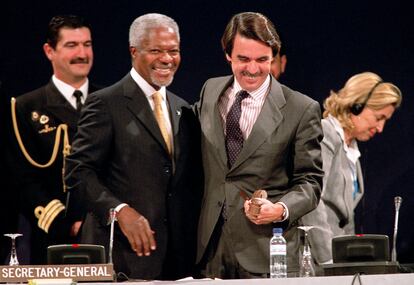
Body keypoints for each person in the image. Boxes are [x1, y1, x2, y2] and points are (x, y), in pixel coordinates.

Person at [65, 13, 203, 280]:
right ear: (134, 51)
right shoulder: (105, 103)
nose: (167, 59)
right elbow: (78, 173)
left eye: (173, 51)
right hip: (122, 258)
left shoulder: (183, 109)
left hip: (176, 261)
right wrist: (119, 211)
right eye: (156, 51)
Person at [196, 12, 323, 278]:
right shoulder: (210, 91)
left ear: (274, 57)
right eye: (243, 58)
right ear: (227, 54)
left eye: (263, 60)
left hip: (268, 254)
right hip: (211, 251)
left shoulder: (301, 108)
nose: (253, 69)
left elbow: (310, 182)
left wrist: (279, 209)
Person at [10, 15, 98, 264]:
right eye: (72, 45)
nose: (82, 53)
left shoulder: (110, 101)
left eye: (87, 44)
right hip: (53, 239)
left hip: (107, 233)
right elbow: (21, 180)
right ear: (49, 51)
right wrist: (65, 223)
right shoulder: (26, 107)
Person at [301, 71, 402, 265]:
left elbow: (346, 220)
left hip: (337, 261)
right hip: (316, 260)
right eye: (378, 117)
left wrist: (348, 262)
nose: (380, 128)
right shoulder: (326, 134)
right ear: (356, 106)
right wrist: (328, 260)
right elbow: (312, 200)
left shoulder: (351, 151)